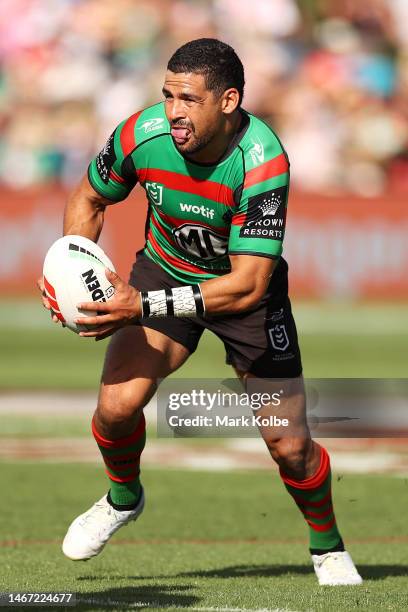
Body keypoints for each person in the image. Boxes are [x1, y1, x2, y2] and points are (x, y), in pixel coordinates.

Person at [39, 38, 362, 586]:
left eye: (188, 99)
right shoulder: (140, 135)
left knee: (291, 447)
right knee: (116, 408)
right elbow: (88, 198)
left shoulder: (263, 162)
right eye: (167, 96)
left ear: (228, 101)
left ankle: (327, 546)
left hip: (244, 298)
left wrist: (139, 305)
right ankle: (122, 499)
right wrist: (74, 275)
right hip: (163, 271)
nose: (173, 112)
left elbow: (247, 284)